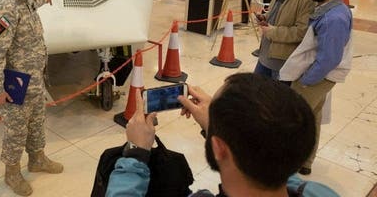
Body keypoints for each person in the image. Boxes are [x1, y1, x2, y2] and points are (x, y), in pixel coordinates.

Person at [106, 73, 339, 196]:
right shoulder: (319, 193)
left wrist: (135, 155)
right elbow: (276, 165)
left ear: (218, 148)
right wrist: (221, 129)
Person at [0, 0, 62, 196]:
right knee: (16, 130)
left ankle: (37, 159)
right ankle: (12, 173)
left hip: (35, 79)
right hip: (15, 83)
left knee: (37, 122)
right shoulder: (5, 9)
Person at [279, 0, 353, 175]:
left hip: (317, 77)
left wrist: (306, 81)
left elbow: (329, 58)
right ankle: (305, 161)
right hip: (320, 75)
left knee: (295, 120)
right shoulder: (329, 9)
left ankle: (287, 161)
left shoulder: (334, 18)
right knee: (312, 117)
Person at [254, 0, 315, 83]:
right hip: (266, 55)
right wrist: (265, 17)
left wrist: (272, 32)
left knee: (275, 101)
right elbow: (279, 15)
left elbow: (301, 32)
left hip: (282, 62)